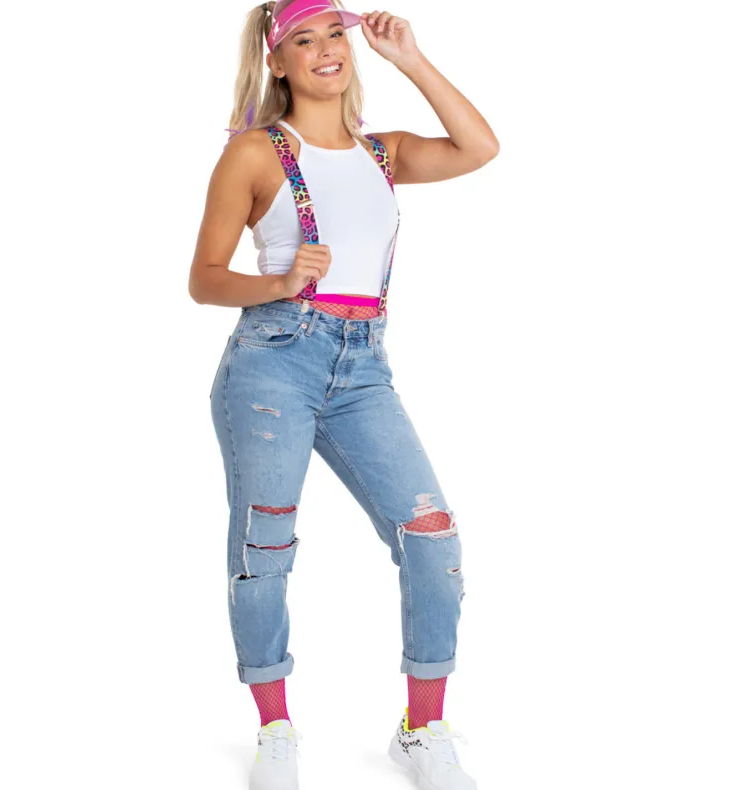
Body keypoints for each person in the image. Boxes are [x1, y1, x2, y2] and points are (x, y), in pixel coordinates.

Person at [188, 2, 499, 788]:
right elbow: (203, 279)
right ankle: (275, 730)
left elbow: (480, 147)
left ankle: (422, 728)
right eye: (304, 39)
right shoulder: (257, 152)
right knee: (265, 549)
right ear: (277, 62)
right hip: (273, 364)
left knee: (432, 538)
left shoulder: (382, 153)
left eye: (336, 34)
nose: (326, 49)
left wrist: (411, 59)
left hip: (363, 370)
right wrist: (278, 282)